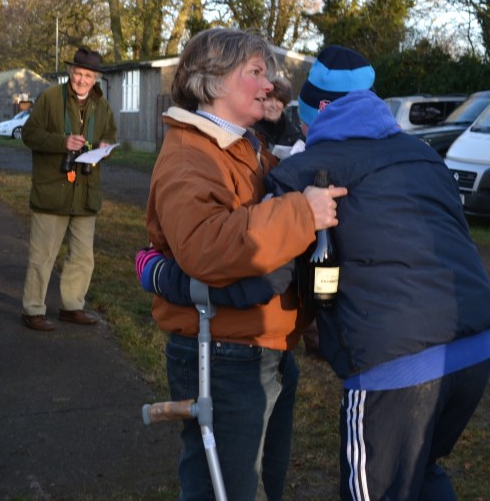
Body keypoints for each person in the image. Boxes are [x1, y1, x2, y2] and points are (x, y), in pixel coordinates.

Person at [266, 82, 490, 501]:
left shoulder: (305, 171)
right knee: (422, 469)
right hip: (473, 348)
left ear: (312, 122)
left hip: (394, 370)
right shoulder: (425, 155)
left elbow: (268, 271)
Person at [144, 27, 345, 501]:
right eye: (255, 72)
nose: (270, 85)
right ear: (211, 82)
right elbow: (204, 246)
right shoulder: (190, 156)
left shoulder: (245, 147)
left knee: (260, 488)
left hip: (262, 345)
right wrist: (302, 211)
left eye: (268, 73)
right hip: (223, 352)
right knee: (228, 491)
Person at [20, 47, 117, 332]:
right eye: (78, 74)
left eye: (88, 75)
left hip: (86, 192)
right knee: (42, 256)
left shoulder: (103, 105)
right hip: (52, 191)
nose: (82, 80)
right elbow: (29, 134)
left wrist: (104, 148)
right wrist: (62, 143)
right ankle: (33, 310)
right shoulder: (50, 98)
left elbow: (110, 134)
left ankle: (72, 306)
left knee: (82, 257)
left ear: (95, 77)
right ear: (70, 73)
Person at [253, 75, 303, 155]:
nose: (273, 105)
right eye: (269, 99)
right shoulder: (250, 130)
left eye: (279, 100)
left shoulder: (294, 134)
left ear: (284, 103)